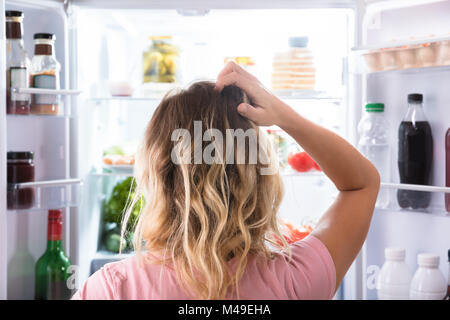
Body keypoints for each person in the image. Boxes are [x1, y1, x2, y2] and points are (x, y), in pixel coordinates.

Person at [72, 61, 380, 300]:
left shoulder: (112, 288)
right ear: (256, 176)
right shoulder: (296, 279)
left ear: (156, 174)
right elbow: (362, 184)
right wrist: (283, 115)